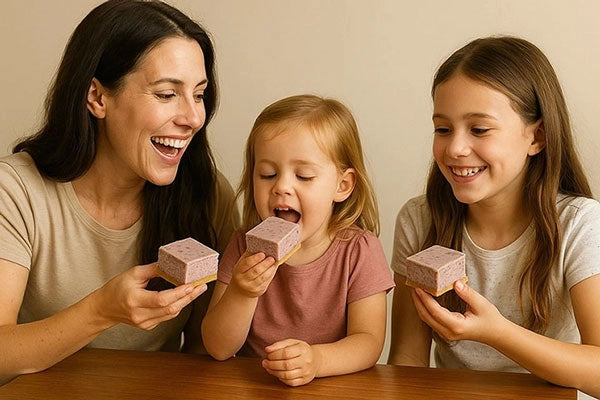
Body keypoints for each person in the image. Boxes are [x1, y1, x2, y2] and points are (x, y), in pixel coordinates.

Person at [0, 0, 239, 384]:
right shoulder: (14, 192)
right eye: (166, 94)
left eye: (198, 93)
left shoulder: (208, 196)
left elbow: (206, 350)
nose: (193, 117)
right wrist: (101, 311)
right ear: (97, 97)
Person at [387, 36, 600, 398]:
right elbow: (408, 357)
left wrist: (496, 332)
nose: (455, 148)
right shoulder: (419, 221)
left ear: (537, 137)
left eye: (479, 129)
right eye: (443, 129)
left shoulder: (580, 225)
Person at [201, 94, 395, 386]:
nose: (281, 187)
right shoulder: (244, 245)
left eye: (303, 176)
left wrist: (317, 360)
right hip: (255, 384)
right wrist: (242, 292)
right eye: (267, 174)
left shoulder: (359, 251)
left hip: (331, 386)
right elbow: (217, 347)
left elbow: (368, 342)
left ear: (342, 186)